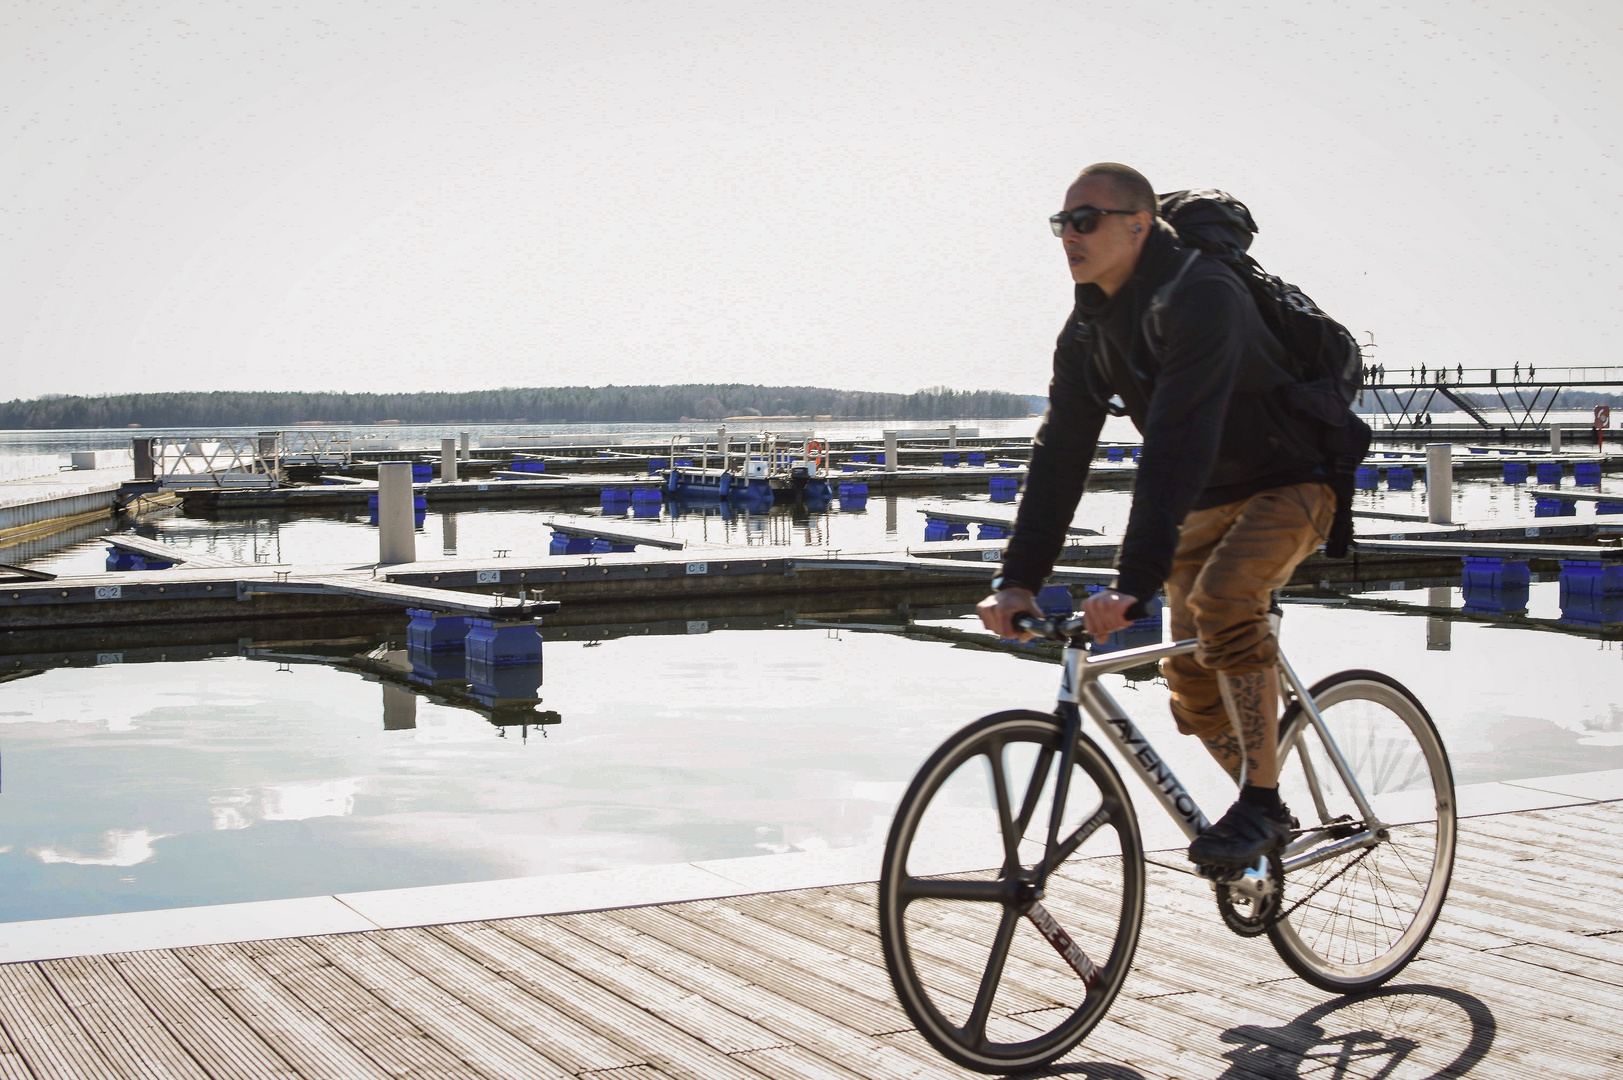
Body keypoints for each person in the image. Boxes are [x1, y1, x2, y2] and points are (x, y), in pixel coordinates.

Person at [978, 163, 1337, 872]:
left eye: (1086, 220)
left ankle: (1261, 802)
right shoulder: (1087, 325)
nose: (1068, 236)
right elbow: (1060, 454)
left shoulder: (1203, 293)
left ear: (1138, 224)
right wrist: (1017, 578)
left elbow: (1179, 439)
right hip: (1208, 496)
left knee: (1223, 600)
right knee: (1193, 685)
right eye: (1061, 223)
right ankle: (1263, 804)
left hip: (1294, 477)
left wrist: (1133, 581)